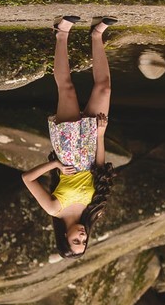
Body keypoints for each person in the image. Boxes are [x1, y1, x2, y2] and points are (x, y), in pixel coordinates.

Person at [21, 15, 119, 257]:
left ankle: (61, 33)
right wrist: (101, 135)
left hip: (68, 149)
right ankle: (96, 35)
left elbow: (27, 179)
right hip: (91, 144)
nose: (82, 236)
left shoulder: (54, 209)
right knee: (104, 87)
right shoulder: (91, 211)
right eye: (84, 241)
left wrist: (56, 164)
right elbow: (98, 169)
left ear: (65, 237)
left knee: (67, 89)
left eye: (76, 241)